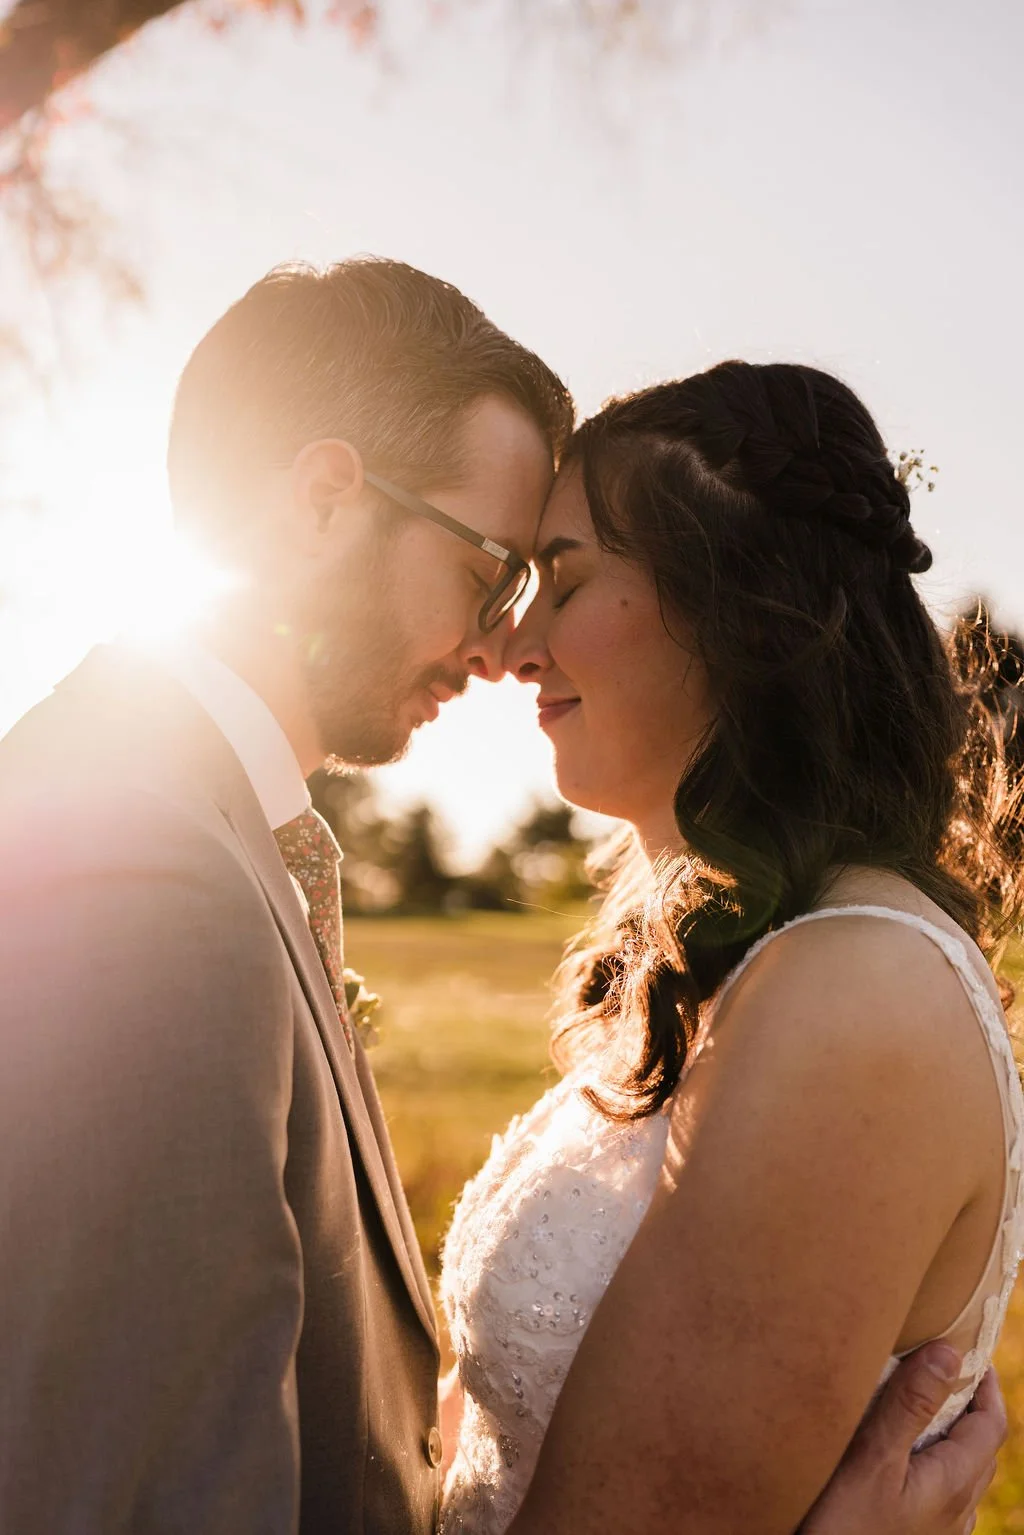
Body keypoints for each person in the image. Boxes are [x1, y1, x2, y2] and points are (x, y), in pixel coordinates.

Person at [0, 261, 1007, 1534]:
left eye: (545, 586)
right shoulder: (141, 860)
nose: (496, 645)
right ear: (324, 500)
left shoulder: (189, 834)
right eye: (492, 571)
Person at [438, 361, 1024, 1534]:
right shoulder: (733, 959)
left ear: (735, 603)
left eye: (565, 581)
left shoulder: (855, 994)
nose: (511, 647)